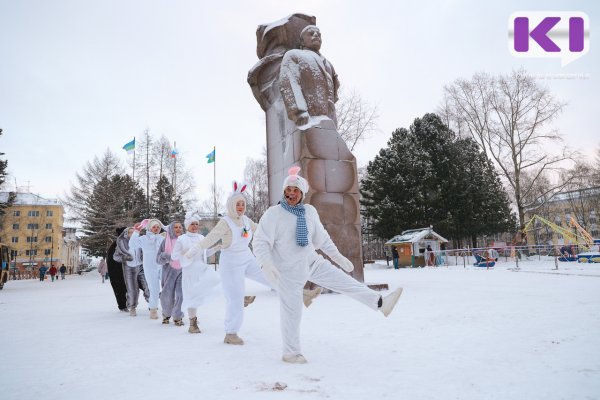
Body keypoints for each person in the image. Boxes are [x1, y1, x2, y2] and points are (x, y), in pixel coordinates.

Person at [253, 166, 403, 364]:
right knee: (292, 311)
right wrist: (266, 264)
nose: (291, 193)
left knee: (344, 282)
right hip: (286, 271)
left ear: (302, 194)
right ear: (283, 191)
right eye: (288, 189)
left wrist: (338, 257)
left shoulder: (309, 212)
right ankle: (291, 353)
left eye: (295, 190)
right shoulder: (274, 214)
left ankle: (380, 303)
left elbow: (322, 239)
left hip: (311, 261)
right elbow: (260, 242)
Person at [188, 181, 320, 345]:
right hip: (230, 264)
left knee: (271, 275)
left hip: (247, 257)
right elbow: (211, 237)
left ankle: (302, 295)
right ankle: (231, 333)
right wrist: (195, 249)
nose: (241, 207)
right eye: (238, 204)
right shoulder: (225, 222)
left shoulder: (246, 220)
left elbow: (261, 230)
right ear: (231, 205)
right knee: (235, 298)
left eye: (243, 204)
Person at [279, 25, 340, 128]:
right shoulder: (294, 55)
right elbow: (289, 81)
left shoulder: (329, 64)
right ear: (302, 42)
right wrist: (299, 112)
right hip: (308, 117)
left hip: (330, 119)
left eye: (319, 35)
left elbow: (334, 89)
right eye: (311, 33)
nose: (316, 35)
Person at [171, 211, 221, 334]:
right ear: (187, 225)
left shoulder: (201, 238)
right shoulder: (182, 239)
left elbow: (205, 254)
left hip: (201, 269)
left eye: (196, 224)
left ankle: (237, 298)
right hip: (189, 272)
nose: (195, 226)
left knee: (216, 280)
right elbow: (174, 256)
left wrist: (215, 248)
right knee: (191, 296)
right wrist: (185, 252)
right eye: (192, 224)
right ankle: (192, 324)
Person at [129, 219, 165, 320]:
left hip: (162, 266)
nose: (156, 229)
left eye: (158, 227)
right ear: (149, 228)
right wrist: (136, 232)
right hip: (150, 267)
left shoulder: (162, 238)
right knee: (154, 289)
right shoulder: (144, 238)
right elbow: (132, 245)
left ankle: (168, 308)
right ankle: (153, 309)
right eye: (154, 227)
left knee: (168, 287)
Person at [115, 227, 150, 316]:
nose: (132, 234)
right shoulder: (122, 243)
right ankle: (132, 307)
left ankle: (151, 304)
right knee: (132, 289)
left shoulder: (140, 241)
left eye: (133, 232)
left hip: (141, 267)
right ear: (126, 233)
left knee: (147, 285)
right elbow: (115, 257)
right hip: (129, 269)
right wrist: (125, 257)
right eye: (130, 232)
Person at [156, 221, 185, 326]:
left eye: (180, 227)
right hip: (169, 272)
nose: (178, 229)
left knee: (181, 295)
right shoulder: (165, 242)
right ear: (171, 229)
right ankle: (166, 314)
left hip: (182, 271)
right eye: (175, 227)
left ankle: (177, 316)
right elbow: (158, 260)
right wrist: (167, 256)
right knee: (167, 295)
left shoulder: (184, 240)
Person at [107, 228, 129, 312]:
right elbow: (112, 259)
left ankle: (124, 305)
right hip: (117, 272)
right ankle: (122, 305)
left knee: (123, 289)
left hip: (120, 271)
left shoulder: (120, 243)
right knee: (120, 289)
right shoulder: (117, 244)